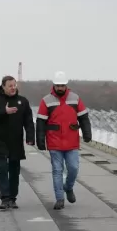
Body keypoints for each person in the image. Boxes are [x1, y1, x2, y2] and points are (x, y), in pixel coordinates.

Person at [36, 71, 92, 210]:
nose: (60, 88)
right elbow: (41, 122)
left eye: (62, 85)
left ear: (66, 85)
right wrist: (40, 140)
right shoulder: (46, 101)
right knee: (57, 170)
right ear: (53, 85)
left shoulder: (75, 99)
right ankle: (59, 199)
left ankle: (68, 187)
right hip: (54, 142)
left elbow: (84, 118)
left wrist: (87, 133)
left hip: (71, 142)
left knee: (73, 168)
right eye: (58, 85)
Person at [0, 75, 35, 210]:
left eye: (14, 85)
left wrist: (30, 137)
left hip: (16, 141)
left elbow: (28, 121)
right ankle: (4, 198)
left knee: (14, 171)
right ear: (3, 87)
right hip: (0, 141)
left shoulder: (22, 101)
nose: (13, 88)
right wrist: (4, 111)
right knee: (1, 169)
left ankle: (12, 198)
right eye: (10, 86)